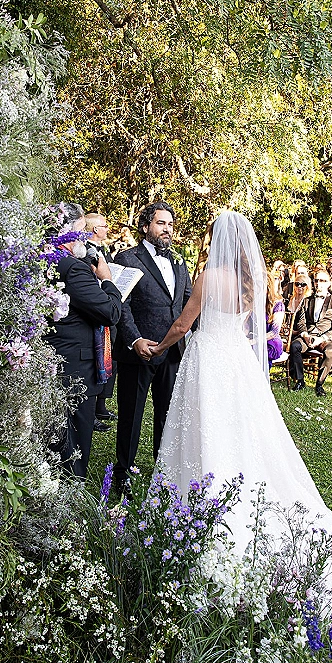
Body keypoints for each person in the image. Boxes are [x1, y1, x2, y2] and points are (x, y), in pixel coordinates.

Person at [149, 211, 332, 647]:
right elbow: (248, 330)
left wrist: (159, 345)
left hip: (208, 363)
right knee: (239, 432)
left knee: (205, 429)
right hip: (235, 365)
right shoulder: (251, 284)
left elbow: (184, 322)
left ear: (218, 240)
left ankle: (195, 509)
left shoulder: (209, 276)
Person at [113, 201, 193, 487]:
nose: (167, 229)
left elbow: (185, 303)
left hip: (172, 352)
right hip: (140, 351)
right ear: (145, 226)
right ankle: (123, 473)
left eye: (170, 224)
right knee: (131, 415)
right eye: (161, 223)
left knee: (167, 416)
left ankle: (163, 472)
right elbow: (121, 304)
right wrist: (134, 339)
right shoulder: (127, 258)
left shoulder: (180, 261)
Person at [43, 203, 122, 479]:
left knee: (52, 443)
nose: (82, 239)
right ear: (64, 232)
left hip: (51, 362)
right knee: (73, 447)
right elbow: (110, 311)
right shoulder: (72, 269)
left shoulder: (43, 261)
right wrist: (108, 280)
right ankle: (68, 507)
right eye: (78, 233)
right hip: (74, 370)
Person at [288, 269, 332, 396]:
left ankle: (319, 384)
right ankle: (300, 380)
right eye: (316, 280)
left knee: (329, 352)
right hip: (308, 336)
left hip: (326, 338)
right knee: (295, 346)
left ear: (329, 283)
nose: (319, 283)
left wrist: (322, 338)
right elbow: (301, 323)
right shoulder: (307, 300)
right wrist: (305, 335)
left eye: (323, 281)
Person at [84, 212, 117, 430]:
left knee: (109, 357)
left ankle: (101, 404)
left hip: (109, 306)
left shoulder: (105, 251)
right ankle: (92, 410)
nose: (107, 229)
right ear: (96, 229)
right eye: (105, 226)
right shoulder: (86, 252)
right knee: (97, 356)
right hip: (97, 309)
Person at [265, 270, 285, 366]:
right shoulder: (254, 303)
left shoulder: (278, 305)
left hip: (270, 341)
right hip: (255, 339)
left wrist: (255, 340)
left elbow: (274, 332)